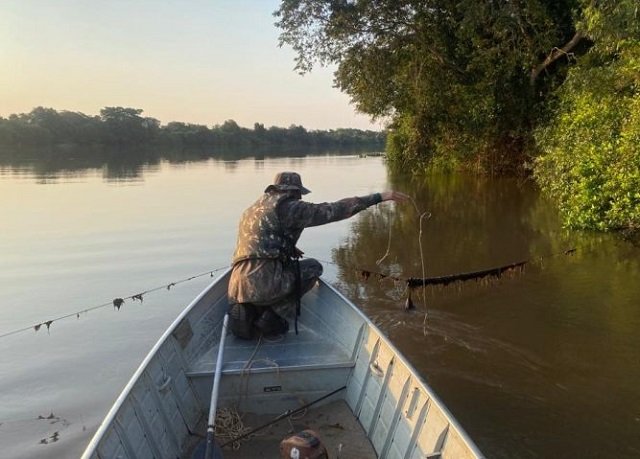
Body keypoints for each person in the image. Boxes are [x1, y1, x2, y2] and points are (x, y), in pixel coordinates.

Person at [227, 171, 408, 339]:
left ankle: (248, 310)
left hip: (236, 285)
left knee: (268, 281)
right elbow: (335, 210)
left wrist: (288, 247)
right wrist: (380, 197)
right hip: (267, 283)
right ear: (293, 192)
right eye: (299, 194)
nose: (299, 198)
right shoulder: (289, 208)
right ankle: (273, 314)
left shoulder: (252, 210)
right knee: (313, 267)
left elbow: (258, 242)